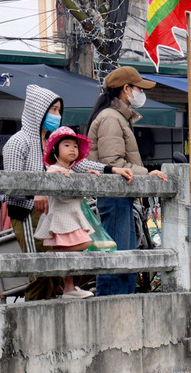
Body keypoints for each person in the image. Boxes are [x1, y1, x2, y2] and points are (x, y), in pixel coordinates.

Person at [3, 83, 109, 300]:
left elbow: (79, 164)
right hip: (27, 212)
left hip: (50, 213)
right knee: (41, 270)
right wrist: (35, 192)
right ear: (37, 110)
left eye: (59, 110)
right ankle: (33, 317)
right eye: (53, 110)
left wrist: (111, 169)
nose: (57, 115)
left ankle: (49, 312)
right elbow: (9, 184)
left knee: (53, 270)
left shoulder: (48, 144)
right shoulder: (18, 142)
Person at [86, 66, 169, 297]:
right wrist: (145, 173)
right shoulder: (111, 119)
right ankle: (110, 311)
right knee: (118, 263)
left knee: (124, 261)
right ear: (126, 89)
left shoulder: (116, 117)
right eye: (139, 88)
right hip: (114, 197)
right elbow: (113, 163)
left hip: (120, 198)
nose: (142, 93)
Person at [36, 127, 134, 298]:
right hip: (62, 216)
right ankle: (49, 257)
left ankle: (69, 288)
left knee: (71, 253)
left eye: (75, 146)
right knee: (84, 243)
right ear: (55, 149)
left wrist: (86, 176)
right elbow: (50, 174)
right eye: (66, 145)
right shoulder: (53, 169)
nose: (72, 149)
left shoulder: (71, 171)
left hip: (71, 216)